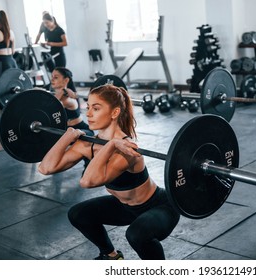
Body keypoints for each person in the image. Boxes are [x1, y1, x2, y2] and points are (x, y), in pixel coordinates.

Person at [38, 84, 180, 260]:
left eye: (96, 108)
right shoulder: (87, 143)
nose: (88, 113)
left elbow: (87, 181)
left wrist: (112, 144)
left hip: (159, 206)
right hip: (125, 207)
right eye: (88, 107)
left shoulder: (127, 150)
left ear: (114, 113)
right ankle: (111, 256)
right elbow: (45, 168)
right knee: (78, 214)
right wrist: (65, 137)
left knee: (136, 235)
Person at [51, 67, 93, 136]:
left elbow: (51, 106)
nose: (52, 79)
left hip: (82, 130)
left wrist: (62, 91)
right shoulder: (56, 96)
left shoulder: (68, 100)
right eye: (52, 76)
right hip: (67, 130)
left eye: (56, 77)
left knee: (70, 134)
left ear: (66, 80)